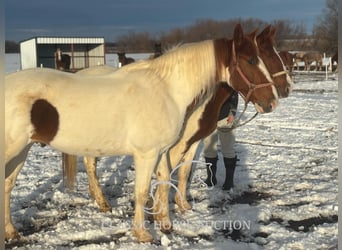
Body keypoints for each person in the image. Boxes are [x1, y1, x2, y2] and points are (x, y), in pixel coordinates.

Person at [203, 91, 239, 190]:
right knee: (209, 148)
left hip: (225, 117)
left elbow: (234, 94)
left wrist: (232, 112)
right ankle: (211, 178)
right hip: (208, 118)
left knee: (228, 148)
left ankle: (229, 180)